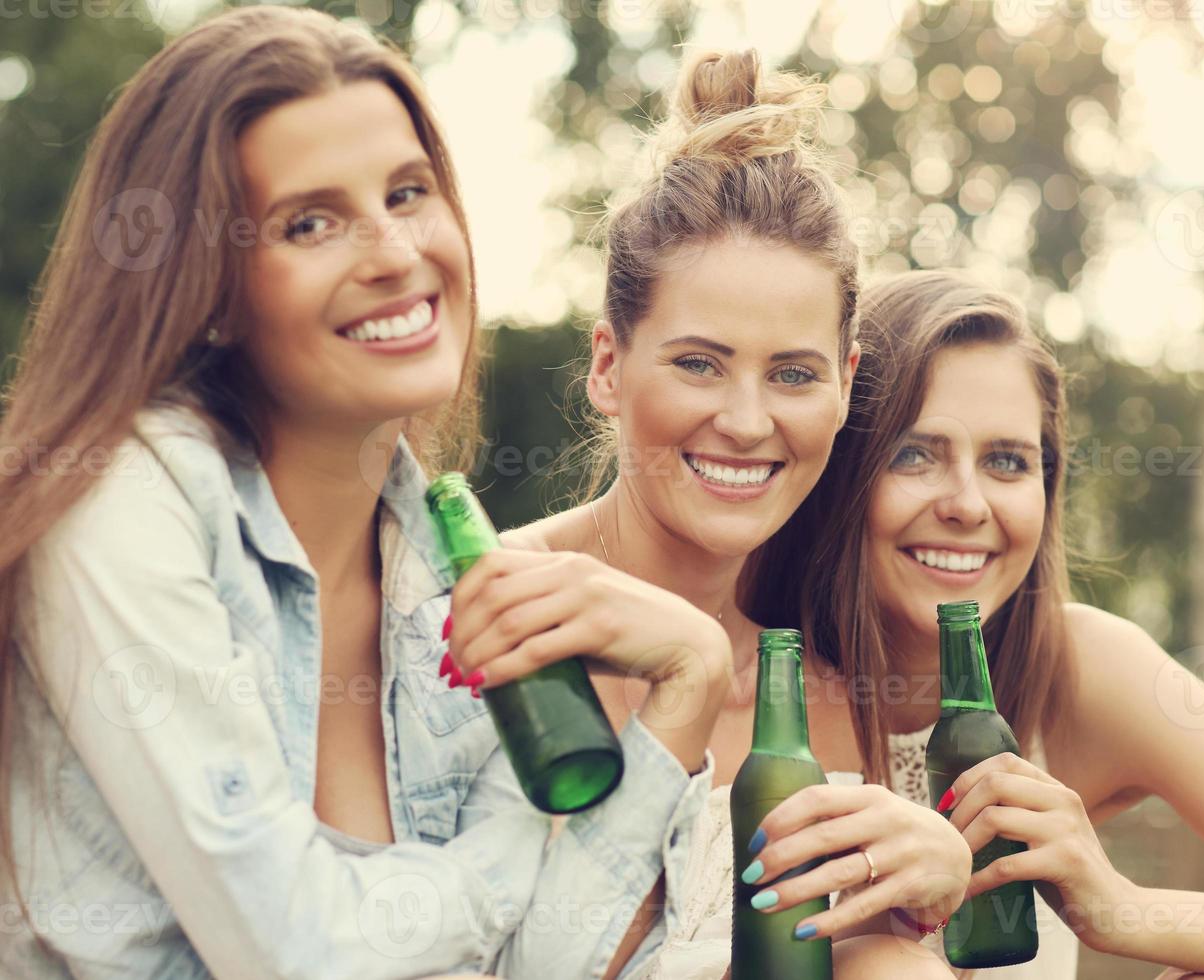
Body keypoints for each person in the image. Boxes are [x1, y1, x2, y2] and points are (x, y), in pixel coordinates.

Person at [0, 8, 730, 978]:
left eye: (407, 192)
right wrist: (502, 866)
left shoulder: (441, 568)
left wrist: (691, 668)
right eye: (311, 221)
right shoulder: (122, 500)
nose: (393, 253)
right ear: (208, 283)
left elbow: (539, 965)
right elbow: (292, 946)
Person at [744, 269, 1204, 979]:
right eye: (913, 455)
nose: (967, 504)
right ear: (840, 471)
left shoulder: (1079, 671)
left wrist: (1124, 909)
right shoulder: (755, 687)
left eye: (1006, 461)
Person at [450, 49, 966, 978]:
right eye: (698, 362)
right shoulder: (476, 621)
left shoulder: (835, 688)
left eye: (794, 374)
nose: (745, 420)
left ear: (846, 387)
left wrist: (929, 897)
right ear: (609, 365)